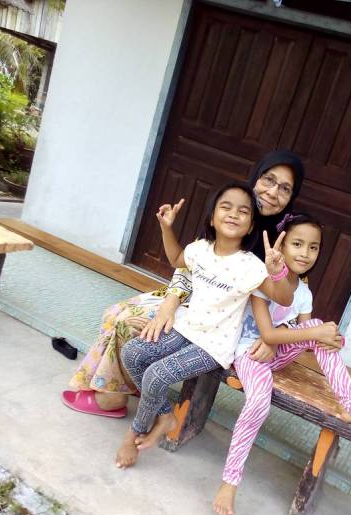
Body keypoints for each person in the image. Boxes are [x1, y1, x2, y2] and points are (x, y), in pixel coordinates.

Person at [62, 150, 305, 417]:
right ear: (256, 178)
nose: (273, 192)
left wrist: (272, 338)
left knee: (128, 322)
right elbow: (187, 266)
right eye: (268, 180)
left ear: (291, 197)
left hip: (227, 324)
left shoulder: (291, 237)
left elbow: (297, 297)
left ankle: (111, 398)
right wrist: (168, 305)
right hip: (190, 299)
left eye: (285, 188)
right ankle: (126, 386)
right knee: (116, 312)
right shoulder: (230, 212)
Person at [212, 213, 351, 515]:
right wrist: (313, 333)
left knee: (319, 328)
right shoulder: (264, 282)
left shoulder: (305, 293)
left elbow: (307, 337)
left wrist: (329, 339)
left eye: (313, 247)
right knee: (258, 402)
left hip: (278, 354)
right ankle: (230, 481)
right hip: (249, 353)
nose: (305, 253)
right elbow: (267, 334)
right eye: (297, 244)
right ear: (281, 246)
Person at [115, 182, 294, 469]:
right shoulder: (200, 249)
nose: (233, 214)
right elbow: (176, 259)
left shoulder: (252, 266)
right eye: (226, 207)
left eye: (243, 211)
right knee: (133, 353)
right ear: (212, 218)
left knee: (156, 375)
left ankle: (134, 433)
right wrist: (166, 228)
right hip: (186, 327)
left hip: (213, 346)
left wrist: (277, 273)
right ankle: (166, 415)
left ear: (251, 225)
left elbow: (284, 298)